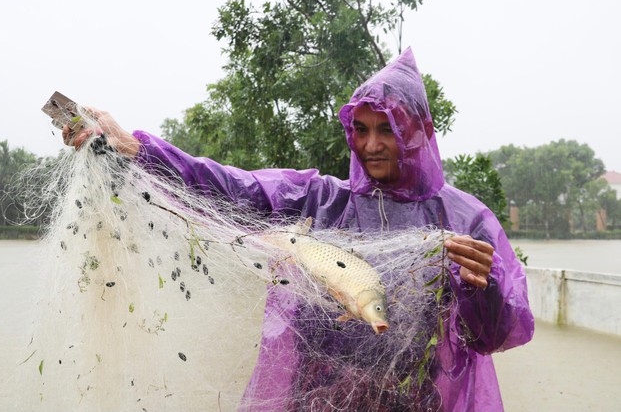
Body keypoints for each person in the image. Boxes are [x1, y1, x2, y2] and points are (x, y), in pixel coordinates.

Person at [63, 47, 534, 411]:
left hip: (412, 398)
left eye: (387, 129)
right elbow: (232, 187)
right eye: (361, 129)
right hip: (319, 394)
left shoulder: (464, 219)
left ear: (418, 132)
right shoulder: (321, 199)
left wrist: (482, 286)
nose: (370, 145)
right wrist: (133, 147)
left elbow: (495, 334)